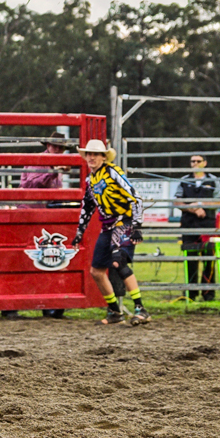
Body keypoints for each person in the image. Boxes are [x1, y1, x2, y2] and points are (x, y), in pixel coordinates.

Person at [71, 139, 151, 326]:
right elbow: (88, 206)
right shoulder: (90, 180)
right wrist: (80, 231)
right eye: (88, 154)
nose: (91, 157)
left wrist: (137, 226)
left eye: (95, 154)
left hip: (124, 221)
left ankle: (141, 309)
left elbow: (135, 198)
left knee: (118, 261)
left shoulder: (113, 173)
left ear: (103, 157)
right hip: (108, 226)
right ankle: (115, 311)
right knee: (96, 271)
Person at [2, 133, 73, 319]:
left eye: (60, 148)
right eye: (55, 146)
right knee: (24, 258)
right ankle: (11, 304)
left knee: (44, 258)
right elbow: (33, 184)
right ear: (48, 146)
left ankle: (46, 303)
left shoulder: (53, 165)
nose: (57, 150)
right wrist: (53, 170)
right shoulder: (39, 161)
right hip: (29, 213)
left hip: (44, 215)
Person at [174, 154, 220, 301]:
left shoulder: (213, 180)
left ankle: (208, 293)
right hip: (188, 225)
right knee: (190, 258)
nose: (195, 163)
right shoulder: (185, 180)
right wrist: (193, 208)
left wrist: (202, 205)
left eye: (198, 161)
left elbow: (219, 201)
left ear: (205, 163)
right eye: (192, 161)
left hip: (208, 225)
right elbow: (177, 202)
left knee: (209, 258)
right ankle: (191, 293)